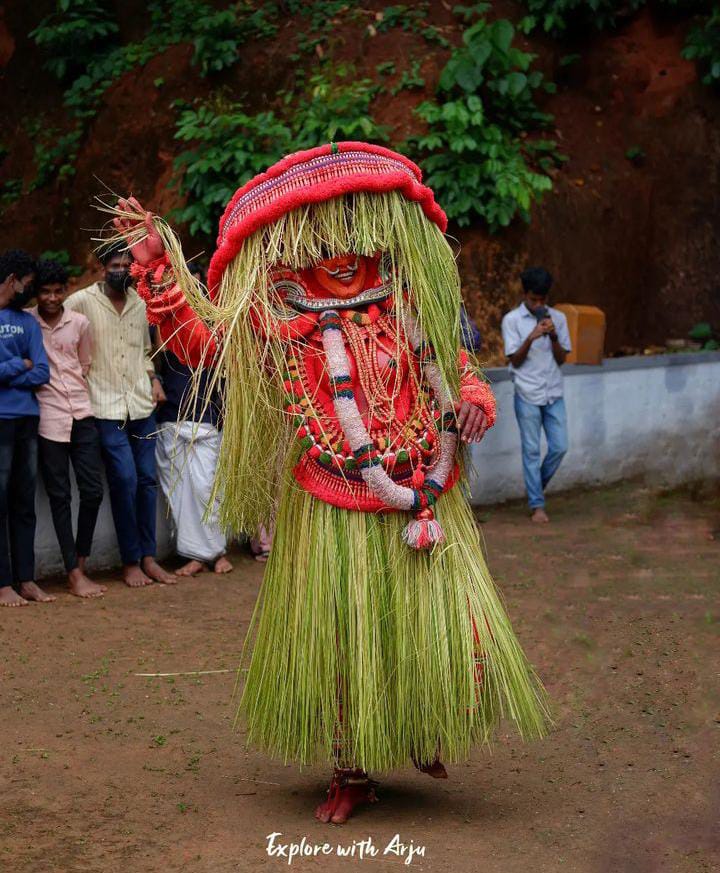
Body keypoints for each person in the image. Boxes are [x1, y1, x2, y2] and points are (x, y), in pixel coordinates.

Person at [111, 142, 548, 824]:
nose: (339, 255)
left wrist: (472, 401)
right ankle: (351, 770)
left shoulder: (409, 305)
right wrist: (157, 264)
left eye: (349, 238)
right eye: (319, 242)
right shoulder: (283, 320)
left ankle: (419, 727)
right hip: (331, 503)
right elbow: (204, 344)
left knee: (433, 627)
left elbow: (459, 367)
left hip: (422, 494)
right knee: (345, 640)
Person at [64, 243, 176, 587]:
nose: (122, 271)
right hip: (104, 405)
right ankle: (130, 561)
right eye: (115, 266)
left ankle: (148, 558)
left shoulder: (141, 302)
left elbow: (145, 351)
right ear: (102, 269)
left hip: (141, 404)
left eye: (127, 266)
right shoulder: (81, 302)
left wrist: (153, 378)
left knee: (147, 480)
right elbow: (54, 328)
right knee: (124, 479)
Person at [31, 260, 106, 598]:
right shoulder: (28, 323)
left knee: (93, 491)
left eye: (58, 291)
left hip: (82, 414)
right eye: (45, 291)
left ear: (66, 290)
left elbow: (85, 364)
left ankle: (80, 561)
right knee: (59, 496)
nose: (51, 297)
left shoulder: (79, 323)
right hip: (48, 420)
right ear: (36, 292)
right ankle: (73, 574)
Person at [0, 249, 52, 607]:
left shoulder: (29, 323)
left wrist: (9, 372)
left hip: (28, 419)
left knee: (24, 501)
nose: (29, 291)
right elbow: (30, 367)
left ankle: (26, 578)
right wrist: (21, 364)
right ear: (11, 280)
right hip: (1, 420)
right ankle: (3, 583)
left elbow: (43, 372)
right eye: (27, 284)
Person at [155, 341, 232, 577]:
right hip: (170, 415)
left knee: (206, 488)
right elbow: (154, 358)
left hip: (207, 417)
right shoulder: (160, 326)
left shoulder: (216, 328)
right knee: (177, 491)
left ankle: (217, 552)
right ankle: (194, 556)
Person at [501, 267, 571, 523]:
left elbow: (562, 359)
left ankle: (535, 489)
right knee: (531, 450)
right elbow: (514, 361)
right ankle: (537, 505)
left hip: (553, 392)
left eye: (543, 300)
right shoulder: (512, 321)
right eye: (534, 300)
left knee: (560, 447)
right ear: (525, 295)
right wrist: (531, 337)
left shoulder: (558, 318)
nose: (538, 305)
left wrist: (553, 336)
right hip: (526, 393)